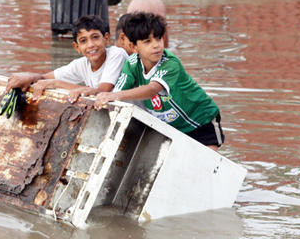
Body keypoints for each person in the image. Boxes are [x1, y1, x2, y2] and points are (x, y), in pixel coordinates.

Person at [94, 12, 224, 150]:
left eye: (158, 38)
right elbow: (118, 93)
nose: (156, 45)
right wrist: (105, 99)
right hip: (173, 129)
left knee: (209, 166)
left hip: (202, 121)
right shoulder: (131, 65)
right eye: (147, 41)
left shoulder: (170, 63)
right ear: (133, 47)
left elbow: (152, 89)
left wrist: (114, 95)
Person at [5, 15, 128, 103]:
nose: (90, 45)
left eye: (95, 37)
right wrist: (29, 77)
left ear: (106, 39)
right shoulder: (80, 64)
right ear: (76, 47)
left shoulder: (116, 54)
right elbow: (44, 78)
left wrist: (56, 83)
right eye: (83, 41)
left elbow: (101, 92)